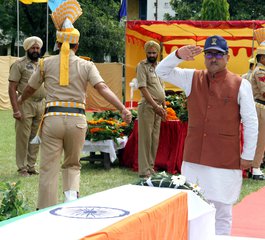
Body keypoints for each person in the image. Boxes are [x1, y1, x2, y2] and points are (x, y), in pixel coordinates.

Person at [17, 1, 132, 209]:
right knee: (72, 165)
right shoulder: (87, 65)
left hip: (52, 120)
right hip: (77, 121)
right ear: (77, 45)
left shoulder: (45, 63)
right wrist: (122, 108)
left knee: (48, 168)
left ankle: (44, 211)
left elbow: (29, 89)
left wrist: (18, 101)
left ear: (58, 44)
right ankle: (70, 205)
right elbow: (103, 88)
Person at [156, 35, 258, 235]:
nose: (213, 58)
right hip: (195, 158)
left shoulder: (240, 84)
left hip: (225, 160)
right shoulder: (191, 78)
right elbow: (161, 71)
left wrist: (248, 156)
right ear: (204, 57)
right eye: (209, 54)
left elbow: (251, 121)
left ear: (227, 57)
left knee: (222, 211)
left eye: (218, 55)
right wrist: (177, 55)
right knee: (194, 209)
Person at [8, 36, 45, 177]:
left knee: (36, 137)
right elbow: (12, 88)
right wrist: (16, 109)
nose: (36, 50)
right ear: (27, 49)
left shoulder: (43, 64)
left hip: (41, 103)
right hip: (25, 103)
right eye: (33, 48)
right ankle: (22, 168)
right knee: (23, 137)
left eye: (37, 48)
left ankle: (31, 166)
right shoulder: (19, 64)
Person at [136, 40, 167, 178]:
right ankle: (144, 171)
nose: (152, 55)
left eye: (154, 52)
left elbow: (161, 87)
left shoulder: (160, 67)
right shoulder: (142, 66)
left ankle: (151, 167)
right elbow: (143, 88)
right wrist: (155, 106)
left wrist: (164, 106)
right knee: (146, 140)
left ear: (158, 53)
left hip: (159, 108)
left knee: (155, 139)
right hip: (148, 107)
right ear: (146, 53)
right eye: (149, 52)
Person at [249, 29, 265, 180]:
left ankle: (256, 166)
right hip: (261, 107)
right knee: (261, 138)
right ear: (262, 57)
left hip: (261, 107)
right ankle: (255, 168)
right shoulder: (260, 71)